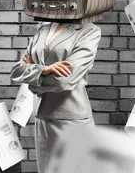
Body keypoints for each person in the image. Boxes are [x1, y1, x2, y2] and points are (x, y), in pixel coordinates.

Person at [10, 21, 101, 173]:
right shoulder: (43, 28)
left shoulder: (89, 30)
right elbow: (17, 71)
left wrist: (32, 78)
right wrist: (44, 69)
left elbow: (64, 81)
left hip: (71, 120)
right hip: (42, 116)